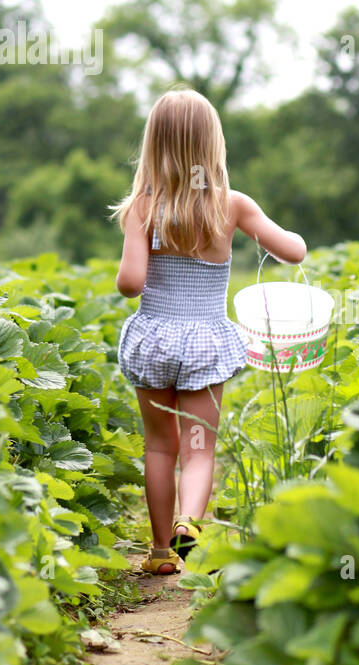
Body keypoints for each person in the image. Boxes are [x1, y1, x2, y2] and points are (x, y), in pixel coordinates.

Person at [110, 88, 306, 575]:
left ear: (154, 144)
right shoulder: (233, 206)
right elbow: (293, 252)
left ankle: (158, 554)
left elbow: (130, 285)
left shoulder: (143, 207)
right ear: (212, 144)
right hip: (204, 343)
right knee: (199, 448)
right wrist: (295, 239)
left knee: (159, 446)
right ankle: (190, 524)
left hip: (154, 339)